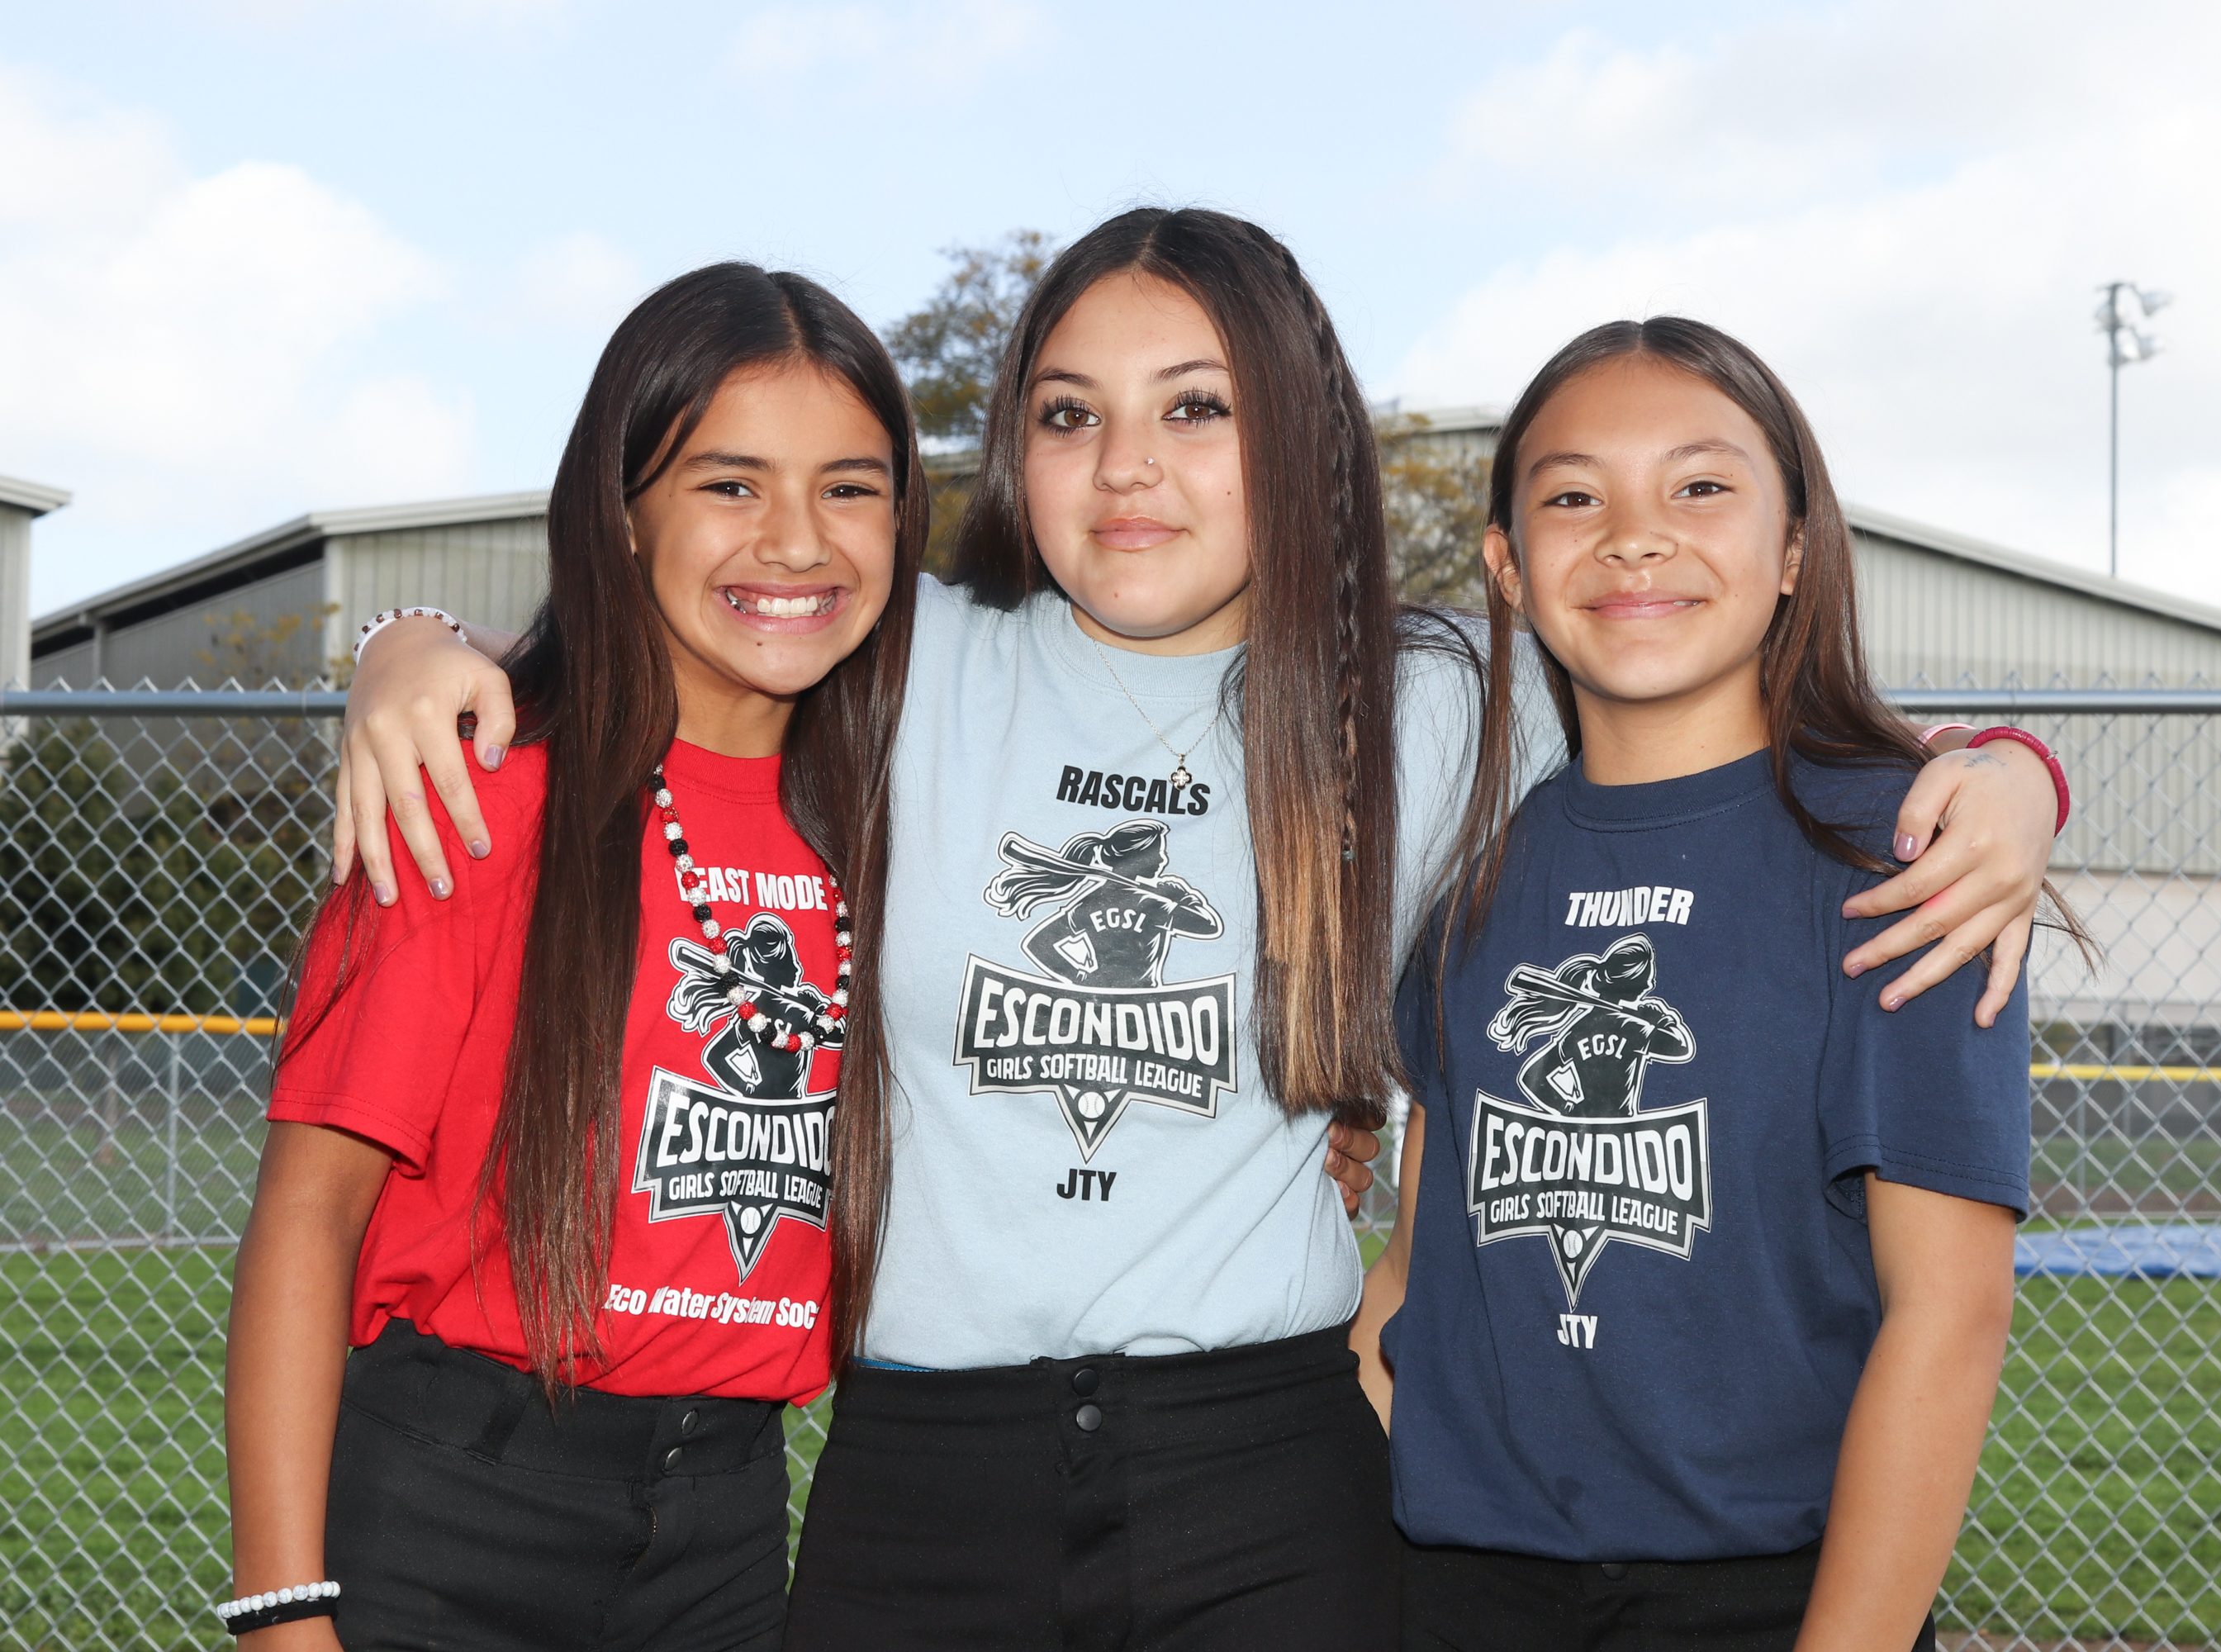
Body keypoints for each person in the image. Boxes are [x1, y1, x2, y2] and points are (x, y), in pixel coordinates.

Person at [329, 209, 2062, 1651]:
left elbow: (1706, 669)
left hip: (1266, 1475)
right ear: (1012, 447)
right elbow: (672, 618)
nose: (1128, 468)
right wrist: (410, 642)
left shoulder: (1436, 700)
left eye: (1196, 408)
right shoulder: (903, 656)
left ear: (1295, 430)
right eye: (1069, 413)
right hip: (922, 1470)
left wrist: (2008, 775)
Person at [221, 262, 923, 1652]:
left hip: (726, 1521)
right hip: (452, 1509)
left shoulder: (897, 811)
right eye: (731, 484)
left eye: (850, 487)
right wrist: (283, 1615)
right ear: (621, 512)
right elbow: (308, 1217)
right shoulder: (475, 798)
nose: (797, 541)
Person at [1358, 316, 2076, 1652]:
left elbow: (1950, 1317)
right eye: (1575, 498)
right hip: (1453, 1592)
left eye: (1698, 487)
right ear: (1507, 566)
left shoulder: (1906, 856)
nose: (1636, 537)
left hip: (1772, 1599)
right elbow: (1413, 1273)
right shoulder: (1475, 872)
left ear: (1795, 548)